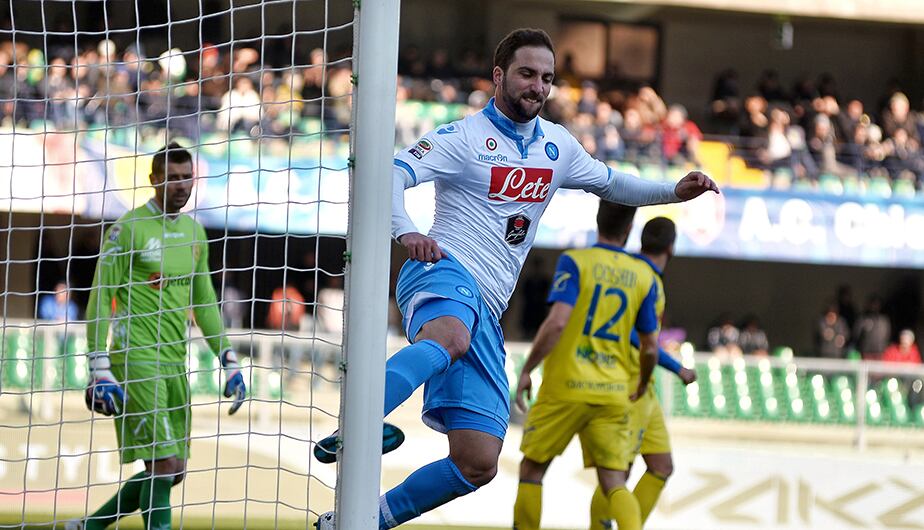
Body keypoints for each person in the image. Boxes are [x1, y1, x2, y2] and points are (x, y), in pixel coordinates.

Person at [313, 28, 717, 529]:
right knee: (451, 335)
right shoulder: (461, 137)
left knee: (478, 461)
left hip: (488, 307)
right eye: (527, 74)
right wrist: (406, 231)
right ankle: (358, 422)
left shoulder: (557, 146)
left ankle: (364, 522)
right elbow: (394, 172)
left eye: (547, 78)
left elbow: (613, 183)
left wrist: (674, 192)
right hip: (442, 268)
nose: (538, 86)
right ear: (499, 75)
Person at [70, 143, 246, 530]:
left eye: (188, 178)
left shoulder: (195, 231)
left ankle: (90, 526)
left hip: (173, 362)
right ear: (154, 180)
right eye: (173, 178)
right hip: (135, 358)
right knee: (163, 464)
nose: (181, 186)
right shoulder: (128, 228)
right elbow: (101, 298)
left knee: (174, 469)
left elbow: (204, 303)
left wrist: (228, 358)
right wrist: (98, 366)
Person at [512, 203, 660, 530]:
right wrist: (643, 381)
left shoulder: (576, 261)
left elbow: (557, 322)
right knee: (614, 481)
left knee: (532, 471)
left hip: (564, 386)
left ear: (597, 220)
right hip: (613, 391)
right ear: (629, 228)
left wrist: (528, 369)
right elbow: (650, 346)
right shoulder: (644, 276)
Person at [585, 216, 696, 529]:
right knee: (618, 472)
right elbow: (635, 337)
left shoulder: (634, 269)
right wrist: (677, 368)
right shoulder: (641, 277)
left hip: (645, 390)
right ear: (671, 247)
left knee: (661, 465)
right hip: (628, 384)